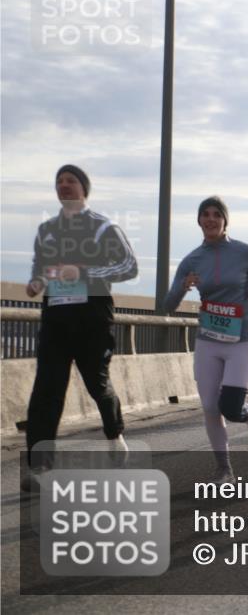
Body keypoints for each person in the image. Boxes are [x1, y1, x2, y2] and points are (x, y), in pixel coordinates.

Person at [22, 165, 138, 490]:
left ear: (84, 188)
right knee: (46, 390)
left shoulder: (103, 227)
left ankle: (114, 434)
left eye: (70, 180)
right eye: (58, 181)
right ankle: (40, 466)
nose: (63, 185)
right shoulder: (46, 229)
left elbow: (128, 266)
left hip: (92, 321)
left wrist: (83, 271)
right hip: (56, 320)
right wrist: (37, 281)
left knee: (97, 385)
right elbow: (41, 266)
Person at [164, 196, 248, 483]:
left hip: (244, 338)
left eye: (217, 214)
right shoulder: (192, 259)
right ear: (199, 221)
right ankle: (224, 469)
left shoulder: (244, 252)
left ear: (225, 220)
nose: (211, 219)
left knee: (230, 405)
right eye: (205, 214)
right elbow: (168, 304)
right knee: (210, 407)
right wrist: (183, 287)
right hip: (208, 339)